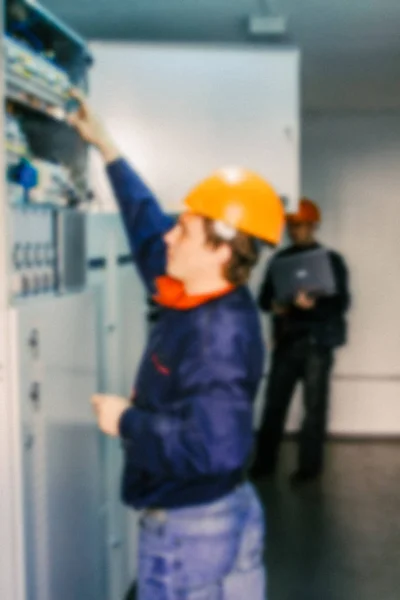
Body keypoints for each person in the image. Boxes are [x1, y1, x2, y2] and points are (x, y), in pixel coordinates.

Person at [68, 92, 285, 599]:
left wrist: (125, 420)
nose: (169, 238)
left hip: (192, 531)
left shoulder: (217, 335)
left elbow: (214, 446)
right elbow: (147, 230)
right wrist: (108, 150)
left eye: (183, 230)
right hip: (222, 513)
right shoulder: (195, 291)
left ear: (219, 248)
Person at [251, 198, 350, 485]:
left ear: (314, 226)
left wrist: (312, 307)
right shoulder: (279, 261)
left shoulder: (332, 261)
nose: (296, 232)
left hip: (317, 344)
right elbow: (263, 301)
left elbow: (341, 303)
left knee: (314, 408)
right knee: (274, 405)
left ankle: (309, 468)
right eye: (292, 226)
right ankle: (264, 463)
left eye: (302, 226)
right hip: (286, 342)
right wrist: (277, 306)